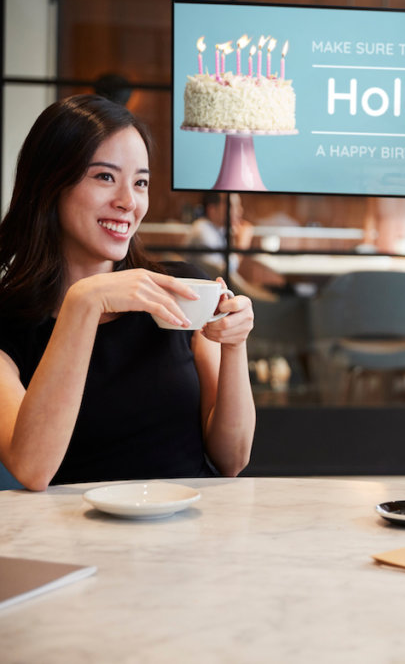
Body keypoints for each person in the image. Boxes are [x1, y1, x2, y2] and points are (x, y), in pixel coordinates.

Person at [0, 94, 256, 491]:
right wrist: (84, 303)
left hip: (193, 533)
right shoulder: (8, 320)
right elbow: (32, 469)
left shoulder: (182, 287)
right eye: (104, 177)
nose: (128, 203)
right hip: (77, 543)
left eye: (140, 183)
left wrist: (235, 345)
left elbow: (232, 459)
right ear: (50, 184)